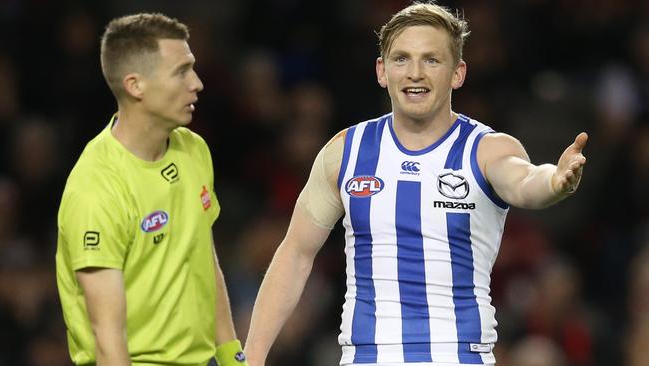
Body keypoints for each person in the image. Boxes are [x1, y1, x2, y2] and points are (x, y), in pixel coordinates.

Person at [244, 2, 587, 366]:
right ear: (382, 70)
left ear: (458, 73)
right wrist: (251, 355)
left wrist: (555, 180)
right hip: (366, 358)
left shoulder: (486, 149)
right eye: (402, 59)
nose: (415, 73)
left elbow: (525, 181)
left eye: (432, 60)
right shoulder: (345, 152)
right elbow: (295, 254)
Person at [55, 13, 248, 366]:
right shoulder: (96, 189)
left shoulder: (194, 149)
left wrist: (232, 356)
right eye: (181, 71)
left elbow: (205, 258)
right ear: (135, 85)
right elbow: (107, 337)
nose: (197, 82)